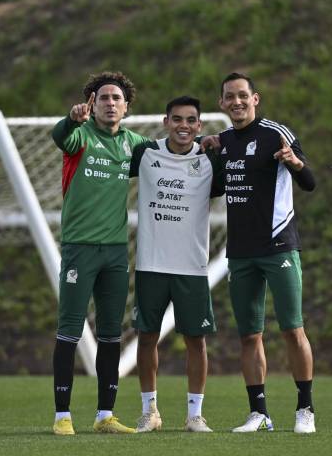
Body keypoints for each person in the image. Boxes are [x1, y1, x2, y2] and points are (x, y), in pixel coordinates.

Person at [217, 72, 317, 434]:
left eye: (243, 96)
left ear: (255, 98)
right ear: (222, 103)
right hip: (241, 252)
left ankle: (305, 409)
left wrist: (294, 162)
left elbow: (309, 183)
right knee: (249, 336)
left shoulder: (277, 133)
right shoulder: (224, 142)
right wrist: (203, 147)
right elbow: (215, 186)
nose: (237, 102)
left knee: (293, 329)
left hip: (278, 246)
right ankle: (259, 414)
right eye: (230, 97)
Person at [50, 71, 148, 435]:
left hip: (115, 253)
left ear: (126, 106)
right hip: (79, 249)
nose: (110, 103)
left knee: (111, 334)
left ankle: (105, 415)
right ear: (91, 105)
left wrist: (204, 142)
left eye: (116, 98)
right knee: (69, 331)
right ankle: (62, 416)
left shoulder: (133, 143)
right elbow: (60, 136)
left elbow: (168, 155)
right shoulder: (79, 136)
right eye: (102, 97)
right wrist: (69, 119)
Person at [129, 96, 224, 434]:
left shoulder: (210, 158)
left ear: (199, 126)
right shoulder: (144, 153)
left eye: (191, 120)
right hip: (151, 264)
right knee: (146, 337)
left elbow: (242, 161)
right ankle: (149, 411)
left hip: (192, 267)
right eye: (177, 119)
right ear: (165, 121)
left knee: (196, 341)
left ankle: (194, 415)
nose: (184, 125)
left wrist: (216, 143)